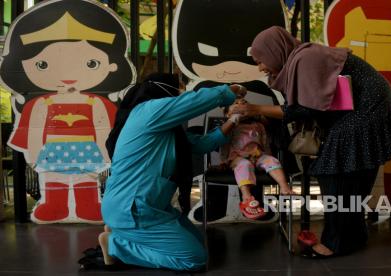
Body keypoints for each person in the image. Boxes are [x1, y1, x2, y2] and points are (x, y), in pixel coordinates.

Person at [230, 26, 391, 258]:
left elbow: (303, 109)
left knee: (333, 173)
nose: (261, 67)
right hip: (368, 107)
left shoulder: (305, 59)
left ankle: (335, 243)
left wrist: (252, 109)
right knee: (353, 174)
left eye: (260, 60)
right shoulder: (300, 58)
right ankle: (354, 236)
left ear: (275, 51)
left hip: (367, 108)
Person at [0, 0, 135, 223]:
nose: (67, 74)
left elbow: (105, 131)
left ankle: (88, 205)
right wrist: (34, 153)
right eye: (43, 64)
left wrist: (105, 151)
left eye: (91, 63)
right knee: (53, 177)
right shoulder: (41, 104)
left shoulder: (97, 103)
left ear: (112, 65)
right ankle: (55, 204)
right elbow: (33, 130)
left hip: (88, 148)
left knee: (86, 177)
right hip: (52, 149)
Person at [99, 73, 246, 271]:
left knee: (197, 241)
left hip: (148, 206)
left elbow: (202, 144)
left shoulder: (165, 127)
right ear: (163, 89)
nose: (183, 90)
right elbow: (193, 101)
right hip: (133, 208)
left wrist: (234, 119)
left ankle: (124, 233)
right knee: (194, 259)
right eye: (180, 86)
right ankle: (116, 244)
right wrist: (230, 90)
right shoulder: (148, 111)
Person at [220, 99, 293, 220]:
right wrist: (223, 161)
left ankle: (284, 186)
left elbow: (265, 143)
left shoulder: (259, 126)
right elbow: (224, 145)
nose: (241, 105)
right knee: (244, 165)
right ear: (228, 114)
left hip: (258, 155)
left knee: (272, 161)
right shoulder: (231, 126)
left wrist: (267, 157)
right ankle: (247, 197)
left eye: (244, 103)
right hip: (238, 157)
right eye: (236, 104)